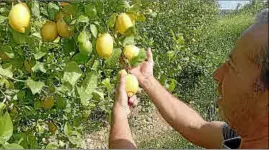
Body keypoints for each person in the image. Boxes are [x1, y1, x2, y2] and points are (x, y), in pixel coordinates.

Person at [109, 9, 268, 149]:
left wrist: (119, 114)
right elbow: (197, 128)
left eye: (232, 67)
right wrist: (147, 79)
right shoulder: (239, 138)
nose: (217, 74)